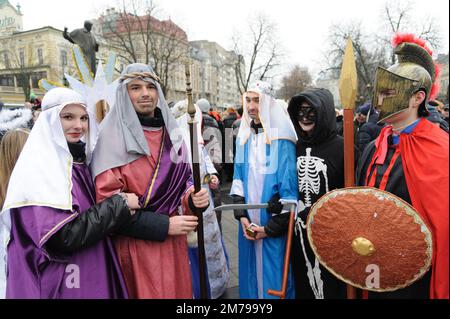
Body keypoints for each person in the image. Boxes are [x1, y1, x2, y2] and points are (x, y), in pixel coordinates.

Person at [0, 88, 141, 299]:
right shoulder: (39, 168)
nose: (79, 126)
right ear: (49, 121)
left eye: (84, 118)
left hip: (90, 271)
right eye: (68, 117)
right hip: (62, 284)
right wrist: (118, 204)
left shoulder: (76, 162)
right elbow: (61, 237)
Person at [91, 63, 210, 299]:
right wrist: (164, 226)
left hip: (174, 245)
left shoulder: (173, 134)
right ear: (124, 94)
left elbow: (183, 182)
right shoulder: (109, 138)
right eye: (135, 87)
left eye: (150, 86)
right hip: (137, 250)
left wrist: (193, 198)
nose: (145, 93)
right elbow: (108, 209)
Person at [356, 33, 448, 299]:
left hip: (415, 278)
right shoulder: (375, 146)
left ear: (417, 98)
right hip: (372, 264)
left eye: (389, 92)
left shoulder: (440, 150)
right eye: (379, 92)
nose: (379, 100)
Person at [230, 80, 298, 299]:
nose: (251, 107)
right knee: (250, 280)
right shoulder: (243, 137)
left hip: (272, 227)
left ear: (267, 102)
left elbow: (289, 191)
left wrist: (269, 229)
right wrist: (242, 217)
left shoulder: (283, 139)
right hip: (248, 226)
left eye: (257, 100)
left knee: (274, 279)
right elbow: (238, 180)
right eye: (248, 100)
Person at [287, 88, 348, 299]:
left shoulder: (344, 149)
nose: (304, 117)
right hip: (300, 230)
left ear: (323, 113)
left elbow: (352, 197)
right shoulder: (293, 147)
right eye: (300, 111)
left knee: (331, 282)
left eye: (311, 111)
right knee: (304, 276)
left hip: (334, 233)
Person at [172, 100, 230, 299]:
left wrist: (211, 178)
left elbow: (205, 166)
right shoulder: (175, 147)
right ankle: (197, 289)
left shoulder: (198, 143)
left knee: (211, 243)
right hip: (188, 205)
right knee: (194, 248)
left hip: (206, 204)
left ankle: (216, 284)